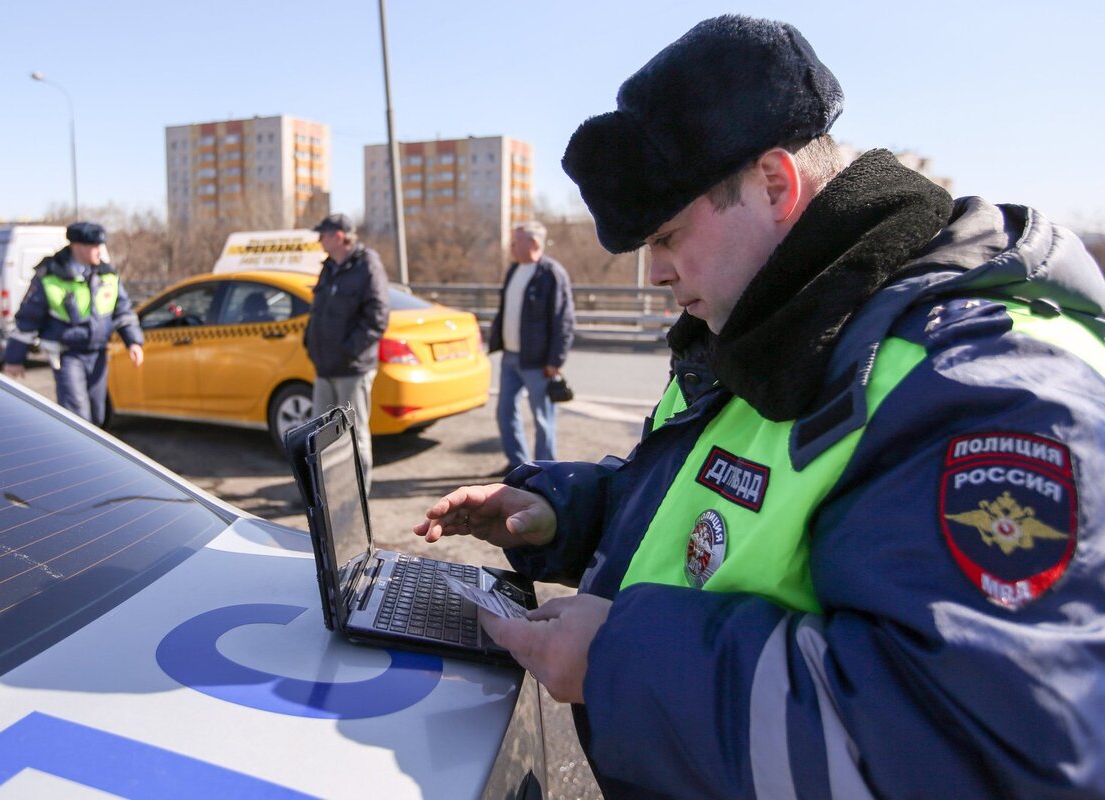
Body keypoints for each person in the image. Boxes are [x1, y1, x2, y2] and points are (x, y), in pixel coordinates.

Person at [414, 15, 1105, 799]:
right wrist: (566, 514)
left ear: (776, 185)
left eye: (669, 238)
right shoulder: (775, 324)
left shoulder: (983, 389)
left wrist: (621, 660)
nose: (656, 275)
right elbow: (713, 504)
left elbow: (979, 760)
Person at [3, 222, 144, 426]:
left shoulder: (108, 275)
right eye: (94, 246)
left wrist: (133, 341)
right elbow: (28, 319)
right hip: (67, 355)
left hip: (98, 353)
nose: (100, 252)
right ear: (77, 247)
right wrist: (14, 359)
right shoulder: (50, 277)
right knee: (78, 416)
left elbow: (123, 311)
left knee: (97, 415)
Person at [304, 213, 390, 483]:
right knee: (322, 436)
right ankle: (329, 496)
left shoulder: (367, 265)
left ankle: (356, 501)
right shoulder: (329, 267)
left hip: (352, 369)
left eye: (323, 235)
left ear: (339, 236)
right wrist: (311, 343)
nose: (319, 241)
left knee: (354, 435)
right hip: (325, 367)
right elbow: (318, 311)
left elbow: (377, 317)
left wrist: (348, 350)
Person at [487, 221, 575, 474]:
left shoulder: (551, 273)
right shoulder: (514, 269)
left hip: (538, 362)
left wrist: (555, 361)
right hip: (510, 357)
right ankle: (518, 464)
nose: (511, 246)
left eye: (516, 241)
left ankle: (545, 470)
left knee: (543, 418)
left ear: (533, 243)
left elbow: (564, 320)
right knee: (505, 412)